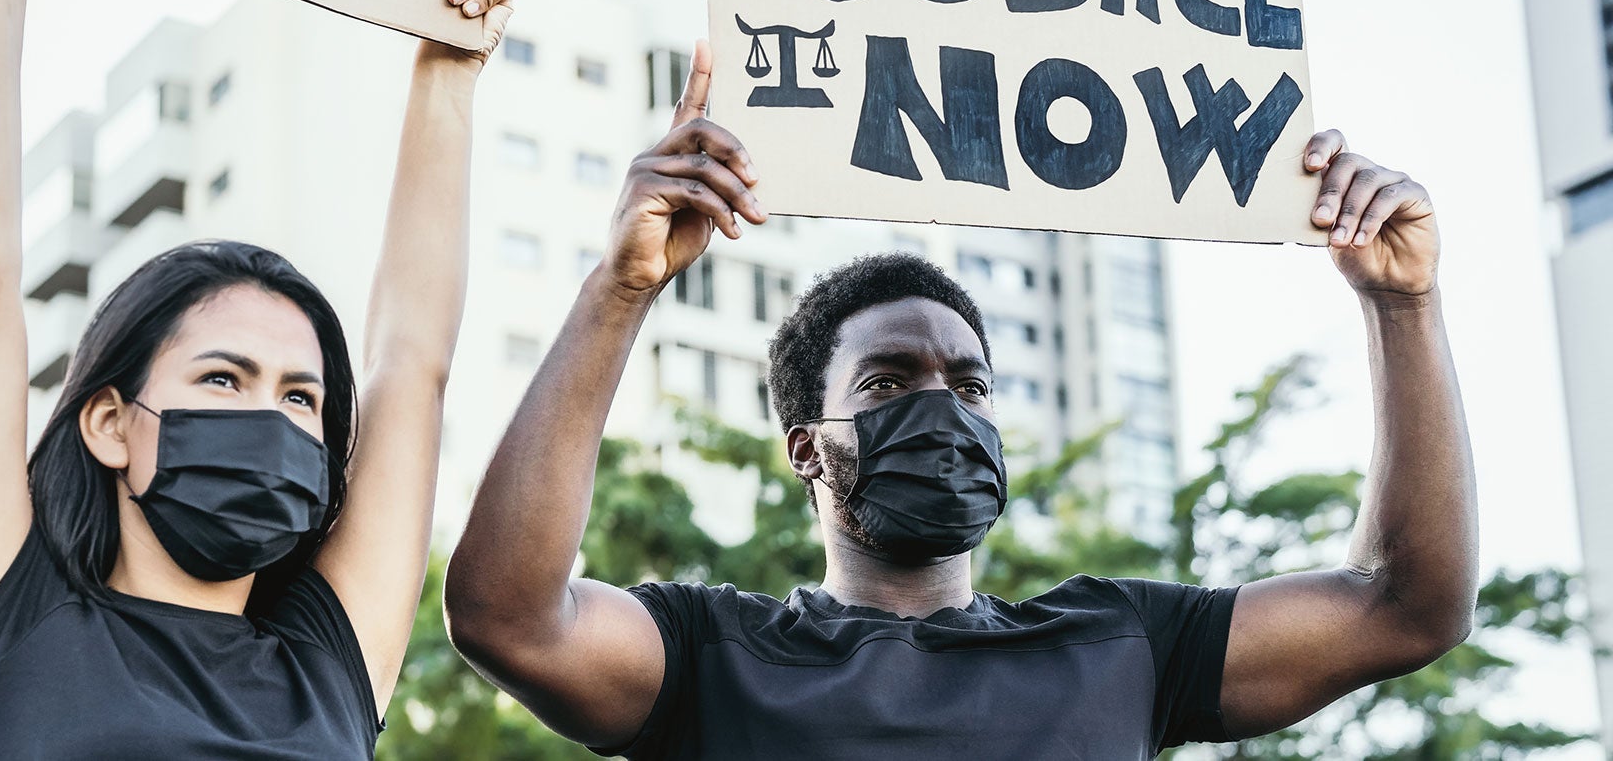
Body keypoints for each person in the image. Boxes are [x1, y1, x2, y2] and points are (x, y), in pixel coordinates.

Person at [444, 41, 1475, 759]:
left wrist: (1402, 305)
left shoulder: (1118, 647)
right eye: (889, 383)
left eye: (968, 384)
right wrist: (622, 287)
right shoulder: (708, 658)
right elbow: (506, 615)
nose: (941, 408)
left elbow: (1407, 605)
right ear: (806, 447)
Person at [0, 0, 516, 758]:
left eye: (298, 399)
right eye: (224, 377)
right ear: (108, 421)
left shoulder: (329, 660)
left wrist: (449, 72)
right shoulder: (1, 624)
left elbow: (414, 364)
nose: (267, 417)